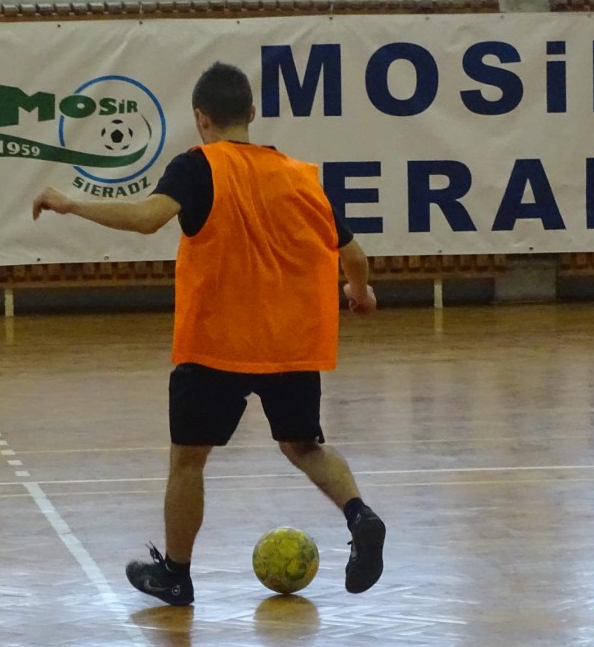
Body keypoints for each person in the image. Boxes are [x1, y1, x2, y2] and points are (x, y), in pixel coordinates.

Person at [33, 61, 385, 606]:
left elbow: (148, 218)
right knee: (303, 446)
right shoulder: (297, 175)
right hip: (289, 344)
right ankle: (360, 515)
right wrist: (359, 294)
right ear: (251, 113)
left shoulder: (198, 167)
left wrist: (72, 203)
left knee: (188, 461)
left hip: (216, 345)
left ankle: (176, 575)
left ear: (201, 117)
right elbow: (354, 256)